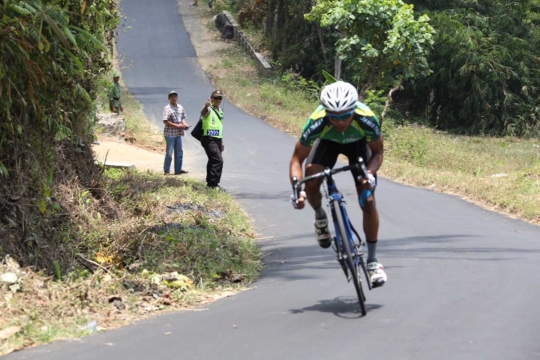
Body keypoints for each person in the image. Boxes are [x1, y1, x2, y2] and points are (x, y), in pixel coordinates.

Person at [288, 81, 387, 287]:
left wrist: (369, 174)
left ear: (354, 109)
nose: (340, 122)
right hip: (327, 144)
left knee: (368, 201)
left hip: (358, 146)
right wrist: (297, 190)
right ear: (326, 112)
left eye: (345, 116)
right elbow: (297, 159)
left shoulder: (366, 119)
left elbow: (377, 153)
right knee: (311, 179)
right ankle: (320, 215)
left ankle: (373, 261)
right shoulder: (317, 122)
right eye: (333, 116)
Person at [199, 90, 225, 189]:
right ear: (211, 98)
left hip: (217, 139)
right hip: (209, 139)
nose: (218, 100)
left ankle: (210, 182)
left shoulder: (219, 111)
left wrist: (221, 142)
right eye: (215, 98)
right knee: (218, 161)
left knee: (212, 160)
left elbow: (219, 127)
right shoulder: (208, 109)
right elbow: (203, 113)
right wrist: (206, 106)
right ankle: (214, 185)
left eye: (220, 98)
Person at [163, 91, 189, 175]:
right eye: (171, 97)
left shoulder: (180, 107)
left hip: (178, 134)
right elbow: (165, 121)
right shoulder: (167, 108)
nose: (173, 98)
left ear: (177, 98)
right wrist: (177, 126)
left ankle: (178, 169)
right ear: (169, 98)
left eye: (175, 96)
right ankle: (166, 170)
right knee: (169, 153)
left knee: (179, 152)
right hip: (170, 134)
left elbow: (182, 118)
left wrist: (184, 125)